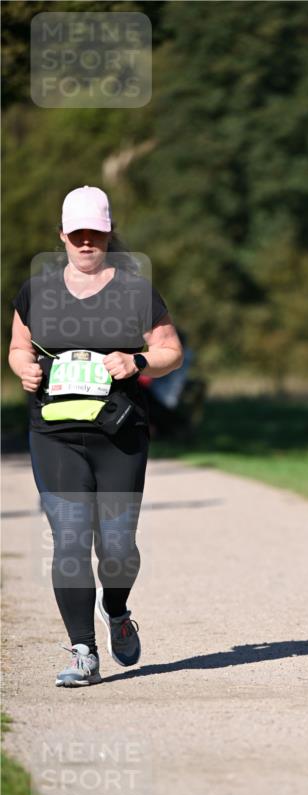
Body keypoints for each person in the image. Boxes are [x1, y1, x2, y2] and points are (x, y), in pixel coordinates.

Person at [8, 185, 183, 687]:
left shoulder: (135, 291)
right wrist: (25, 369)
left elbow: (172, 350)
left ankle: (118, 609)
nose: (87, 243)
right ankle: (83, 650)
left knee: (118, 544)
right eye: (78, 234)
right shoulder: (35, 292)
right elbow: (19, 347)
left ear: (108, 234)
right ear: (62, 235)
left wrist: (138, 361)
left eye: (96, 234)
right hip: (55, 435)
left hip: (119, 434)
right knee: (68, 539)